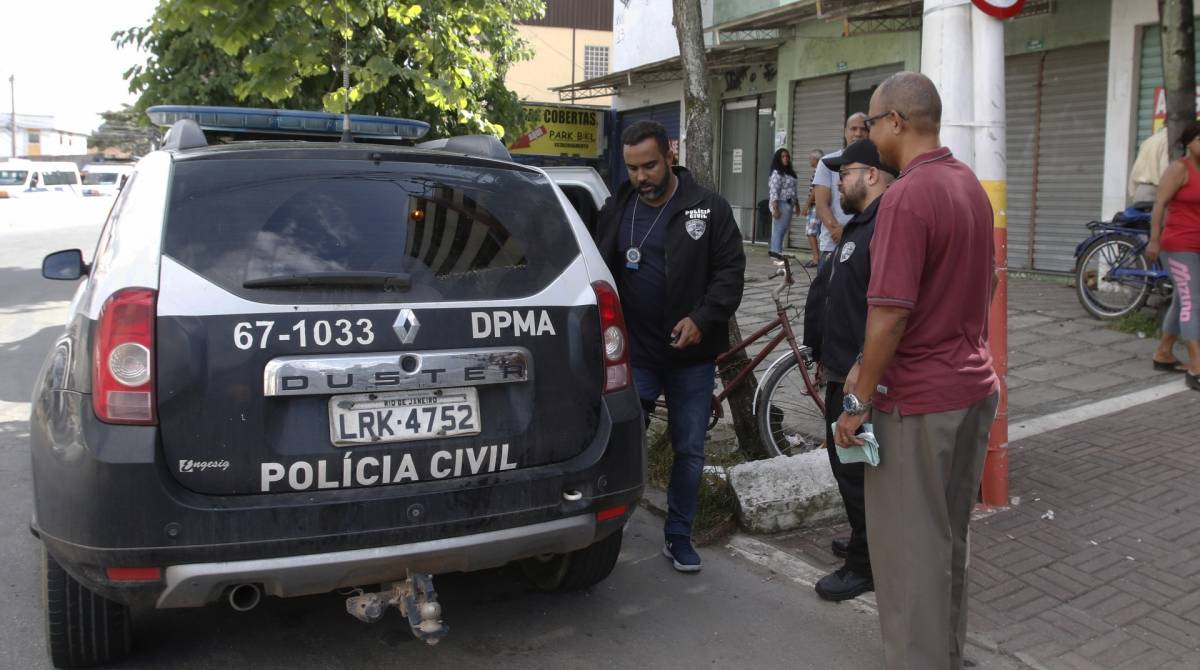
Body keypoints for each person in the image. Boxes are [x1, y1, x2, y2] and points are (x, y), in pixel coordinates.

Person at [834, 71, 1000, 670]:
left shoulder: (905, 196)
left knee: (908, 559)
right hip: (971, 388)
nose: (869, 132)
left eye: (872, 122)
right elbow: (990, 285)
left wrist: (855, 403)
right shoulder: (970, 187)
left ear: (897, 123)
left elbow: (888, 318)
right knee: (946, 543)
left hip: (919, 402)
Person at [595, 120, 746, 572]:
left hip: (690, 359)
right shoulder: (616, 208)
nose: (641, 176)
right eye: (632, 168)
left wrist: (702, 319)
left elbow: (730, 272)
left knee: (690, 450)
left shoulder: (708, 208)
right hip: (634, 355)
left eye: (650, 165)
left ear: (670, 156)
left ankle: (679, 534)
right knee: (621, 445)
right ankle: (606, 534)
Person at [809, 139, 896, 602]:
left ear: (872, 175)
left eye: (846, 172)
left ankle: (865, 564)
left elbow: (886, 314)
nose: (837, 180)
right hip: (843, 370)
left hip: (860, 379)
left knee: (860, 475)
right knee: (851, 471)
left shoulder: (884, 226)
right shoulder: (861, 224)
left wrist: (859, 388)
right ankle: (866, 541)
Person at [1147, 120, 1200, 388]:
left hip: (1198, 245)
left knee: (1183, 300)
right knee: (1193, 302)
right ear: (1189, 143)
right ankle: (1196, 368)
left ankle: (1164, 354)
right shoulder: (1180, 169)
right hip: (1178, 245)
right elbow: (1159, 205)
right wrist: (1154, 239)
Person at [813, 114, 868, 270]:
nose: (858, 133)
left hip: (864, 245)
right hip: (833, 245)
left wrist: (851, 232)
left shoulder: (876, 164)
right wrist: (838, 231)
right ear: (845, 132)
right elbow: (821, 205)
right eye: (853, 129)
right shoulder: (827, 163)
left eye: (863, 129)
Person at [768, 148, 798, 260]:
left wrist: (797, 205)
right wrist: (775, 208)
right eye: (783, 156)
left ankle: (777, 253)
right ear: (778, 159)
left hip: (789, 204)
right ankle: (776, 256)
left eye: (787, 156)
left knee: (782, 230)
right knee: (778, 231)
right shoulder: (777, 173)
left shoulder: (788, 172)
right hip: (780, 204)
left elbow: (793, 190)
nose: (786, 158)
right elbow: (774, 191)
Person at [1130, 126, 1169, 205]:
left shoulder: (1149, 140)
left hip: (1140, 191)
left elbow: (1136, 169)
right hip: (1155, 193)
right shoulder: (1168, 141)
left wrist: (1133, 193)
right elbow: (1165, 171)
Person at [800, 149, 824, 268]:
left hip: (815, 206)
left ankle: (816, 258)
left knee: (810, 232)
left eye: (811, 158)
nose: (809, 160)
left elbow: (815, 189)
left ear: (816, 159)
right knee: (819, 232)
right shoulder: (820, 170)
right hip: (818, 205)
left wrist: (806, 205)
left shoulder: (818, 171)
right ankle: (820, 257)